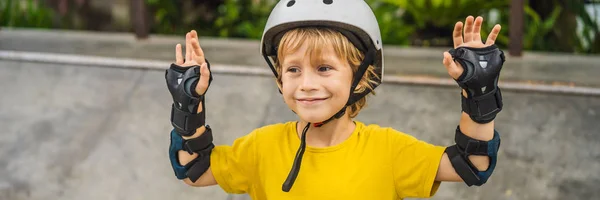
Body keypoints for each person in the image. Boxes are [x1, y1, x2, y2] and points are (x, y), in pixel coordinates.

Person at [165, 0, 504, 199]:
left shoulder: (387, 151)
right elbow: (194, 169)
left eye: (324, 68)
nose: (306, 84)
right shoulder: (262, 147)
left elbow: (472, 166)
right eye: (293, 69)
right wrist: (187, 106)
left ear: (362, 76)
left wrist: (479, 92)